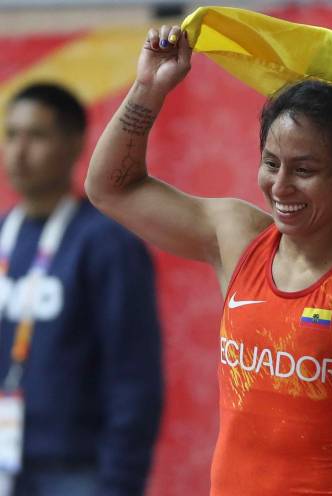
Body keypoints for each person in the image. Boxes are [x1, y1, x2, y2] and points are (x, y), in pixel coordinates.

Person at [86, 25, 332, 496]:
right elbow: (113, 188)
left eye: (305, 170)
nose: (281, 186)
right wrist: (148, 88)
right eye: (271, 163)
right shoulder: (236, 237)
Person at [0, 82, 163, 496]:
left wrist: (120, 482)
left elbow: (134, 376)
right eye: (11, 135)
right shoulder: (4, 235)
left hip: (77, 469)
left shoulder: (108, 243)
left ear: (75, 145)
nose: (19, 152)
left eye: (36, 136)